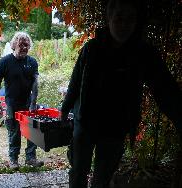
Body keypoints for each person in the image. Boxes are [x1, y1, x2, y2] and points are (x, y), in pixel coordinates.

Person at [60, 0, 182, 187]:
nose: (124, 24)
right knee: (78, 171)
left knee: (103, 177)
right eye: (119, 18)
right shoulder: (92, 49)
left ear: (136, 22)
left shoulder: (143, 53)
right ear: (108, 19)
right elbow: (75, 82)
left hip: (115, 127)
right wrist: (65, 108)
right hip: (85, 122)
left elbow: (164, 88)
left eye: (130, 19)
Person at [0, 31, 44, 170]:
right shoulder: (5, 61)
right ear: (14, 44)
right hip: (11, 103)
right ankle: (13, 160)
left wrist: (33, 103)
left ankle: (31, 158)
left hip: (28, 103)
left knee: (33, 131)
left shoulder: (32, 62)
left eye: (27, 45)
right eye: (21, 45)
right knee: (14, 132)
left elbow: (35, 83)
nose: (24, 48)